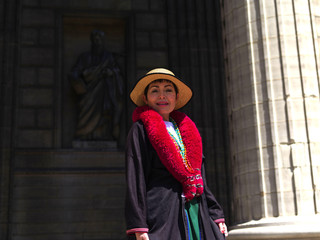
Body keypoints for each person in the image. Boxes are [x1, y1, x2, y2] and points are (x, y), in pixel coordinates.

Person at [125, 68, 228, 240]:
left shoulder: (187, 130)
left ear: (176, 97)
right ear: (145, 99)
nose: (162, 96)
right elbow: (135, 178)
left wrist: (216, 213)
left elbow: (200, 176)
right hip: (162, 213)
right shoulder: (140, 130)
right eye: (155, 91)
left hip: (195, 209)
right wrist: (139, 225)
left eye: (168, 90)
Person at [69, 30, 123, 141]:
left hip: (104, 91)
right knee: (85, 113)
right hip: (88, 92)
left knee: (104, 114)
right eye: (95, 40)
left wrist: (111, 73)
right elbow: (76, 71)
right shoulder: (84, 57)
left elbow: (116, 71)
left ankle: (103, 136)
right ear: (92, 41)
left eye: (99, 40)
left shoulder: (108, 57)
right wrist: (76, 78)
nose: (97, 42)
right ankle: (85, 135)